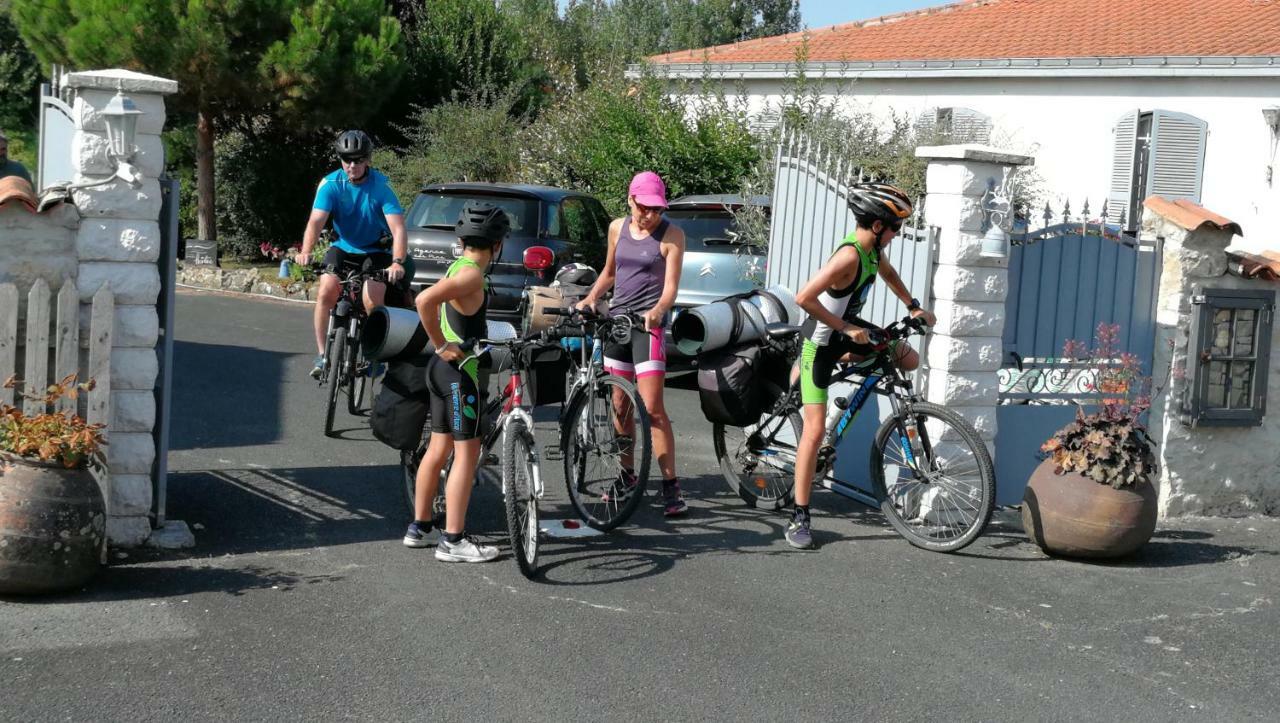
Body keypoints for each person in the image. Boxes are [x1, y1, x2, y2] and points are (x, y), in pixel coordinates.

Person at [787, 183, 936, 550]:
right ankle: (799, 515)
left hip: (845, 335)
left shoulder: (873, 252)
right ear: (876, 225)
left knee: (907, 358)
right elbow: (804, 297)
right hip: (820, 344)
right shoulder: (850, 257)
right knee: (814, 430)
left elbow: (889, 274)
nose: (898, 234)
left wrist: (912, 305)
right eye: (895, 227)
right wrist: (846, 329)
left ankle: (847, 395)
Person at [402, 201, 509, 563]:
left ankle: (419, 527)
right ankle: (453, 539)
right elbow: (424, 300)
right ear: (498, 244)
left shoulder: (459, 265)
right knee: (467, 454)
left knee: (437, 450)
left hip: (439, 372)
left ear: (463, 240)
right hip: (458, 375)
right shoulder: (472, 275)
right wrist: (442, 343)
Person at [576, 171, 688, 517]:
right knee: (620, 405)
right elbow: (609, 272)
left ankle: (671, 486)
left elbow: (671, 287)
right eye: (644, 208)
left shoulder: (672, 235)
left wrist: (657, 311)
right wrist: (591, 298)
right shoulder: (616, 228)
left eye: (656, 209)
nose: (650, 215)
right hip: (617, 324)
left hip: (647, 327)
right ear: (631, 200)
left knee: (653, 408)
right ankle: (626, 476)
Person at [296, 130, 409, 379]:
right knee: (326, 291)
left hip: (376, 249)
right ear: (340, 160)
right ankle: (323, 355)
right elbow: (315, 222)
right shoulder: (330, 184)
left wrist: (397, 262)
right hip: (343, 246)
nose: (352, 165)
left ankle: (374, 352)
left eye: (358, 160)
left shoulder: (381, 186)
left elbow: (398, 229)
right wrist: (305, 251)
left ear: (368, 160)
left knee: (372, 298)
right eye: (347, 160)